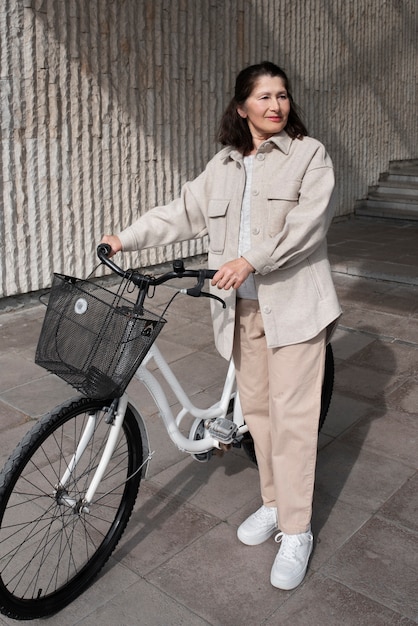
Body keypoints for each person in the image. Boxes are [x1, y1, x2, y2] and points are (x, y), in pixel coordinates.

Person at [101, 61, 341, 590]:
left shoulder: (310, 154)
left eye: (282, 96)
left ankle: (297, 530)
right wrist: (125, 238)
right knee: (259, 415)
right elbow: (179, 213)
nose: (276, 105)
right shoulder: (225, 165)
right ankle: (275, 505)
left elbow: (308, 225)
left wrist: (251, 260)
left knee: (293, 420)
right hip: (242, 311)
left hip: (295, 306)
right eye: (264, 97)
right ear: (242, 107)